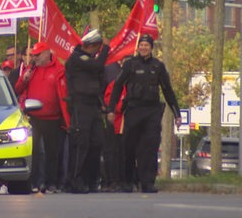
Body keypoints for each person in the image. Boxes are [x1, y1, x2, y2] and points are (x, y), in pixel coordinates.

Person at [106, 34, 181, 193]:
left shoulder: (158, 66)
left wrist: (177, 114)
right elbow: (117, 87)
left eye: (146, 45)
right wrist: (111, 109)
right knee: (129, 147)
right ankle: (127, 182)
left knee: (150, 148)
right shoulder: (130, 64)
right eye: (141, 45)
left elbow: (168, 91)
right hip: (133, 110)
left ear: (151, 48)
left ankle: (148, 182)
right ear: (138, 47)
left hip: (152, 111)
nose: (143, 48)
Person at [15, 42, 69, 194]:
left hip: (53, 118)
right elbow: (17, 89)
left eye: (37, 55)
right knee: (34, 152)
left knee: (53, 152)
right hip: (34, 118)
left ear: (47, 53)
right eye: (33, 55)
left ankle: (52, 182)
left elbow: (63, 92)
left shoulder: (58, 70)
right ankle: (35, 182)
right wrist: (24, 78)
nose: (34, 58)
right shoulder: (30, 70)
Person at [65, 29, 110, 193]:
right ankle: (74, 180)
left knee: (97, 143)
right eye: (97, 48)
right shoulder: (77, 59)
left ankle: (91, 180)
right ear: (92, 46)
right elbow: (97, 66)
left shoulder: (89, 60)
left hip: (93, 106)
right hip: (80, 105)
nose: (98, 52)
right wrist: (106, 48)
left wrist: (102, 103)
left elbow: (96, 82)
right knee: (81, 144)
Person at [101, 55, 131, 192]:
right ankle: (113, 180)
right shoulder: (114, 84)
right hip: (117, 125)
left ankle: (127, 180)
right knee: (114, 153)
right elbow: (109, 101)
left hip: (130, 125)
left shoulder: (133, 84)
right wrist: (120, 107)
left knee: (127, 153)